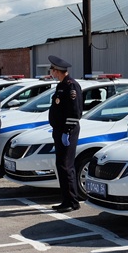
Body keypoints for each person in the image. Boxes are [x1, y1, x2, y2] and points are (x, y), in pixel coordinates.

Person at [47, 55, 83, 212]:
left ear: (57, 70)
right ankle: (66, 199)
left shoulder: (71, 86)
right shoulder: (61, 86)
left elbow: (75, 112)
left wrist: (67, 131)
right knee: (61, 166)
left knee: (66, 166)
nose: (51, 73)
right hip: (59, 130)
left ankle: (72, 202)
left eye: (52, 70)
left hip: (67, 131)